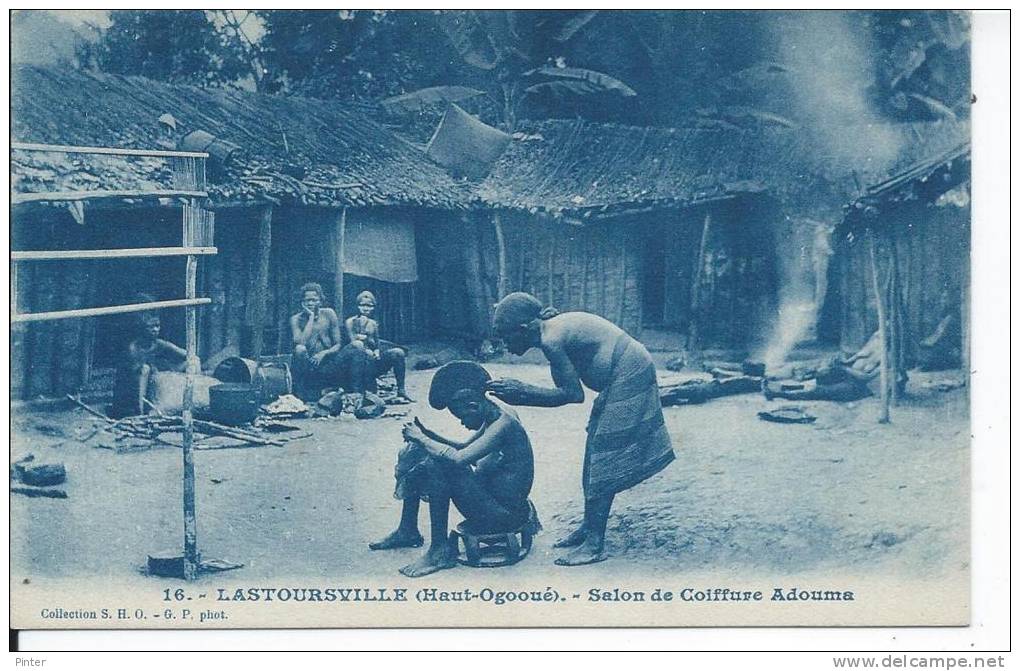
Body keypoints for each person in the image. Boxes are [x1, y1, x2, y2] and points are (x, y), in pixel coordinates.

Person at [487, 292, 675, 566]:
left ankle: (594, 544)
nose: (505, 345)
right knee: (593, 451)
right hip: (620, 373)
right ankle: (589, 527)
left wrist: (523, 392)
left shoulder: (551, 340)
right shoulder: (548, 331)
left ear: (524, 329)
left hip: (630, 370)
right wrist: (522, 394)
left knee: (605, 458)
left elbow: (572, 395)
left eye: (506, 336)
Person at [369, 361, 535, 578]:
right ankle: (407, 530)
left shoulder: (504, 425)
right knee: (420, 452)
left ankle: (439, 549)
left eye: (462, 417)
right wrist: (427, 437)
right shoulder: (495, 412)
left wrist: (421, 437)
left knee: (436, 465)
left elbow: (458, 459)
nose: (463, 424)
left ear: (473, 406)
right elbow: (467, 448)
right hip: (494, 503)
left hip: (502, 515)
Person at [289, 283, 370, 402]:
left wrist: (324, 353)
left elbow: (338, 344)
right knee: (299, 349)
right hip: (309, 367)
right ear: (302, 302)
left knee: (357, 345)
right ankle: (302, 395)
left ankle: (356, 393)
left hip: (330, 363)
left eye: (314, 300)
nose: (310, 303)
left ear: (320, 301)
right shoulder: (296, 319)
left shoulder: (329, 314)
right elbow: (300, 342)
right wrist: (311, 318)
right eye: (307, 301)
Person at [110, 301, 189, 418]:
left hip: (151, 382)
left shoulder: (159, 344)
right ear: (142, 328)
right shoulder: (133, 348)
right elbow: (134, 375)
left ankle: (187, 404)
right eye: (151, 326)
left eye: (157, 326)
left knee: (192, 361)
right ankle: (140, 412)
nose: (155, 329)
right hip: (132, 389)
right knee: (145, 370)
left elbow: (185, 353)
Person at [761, 331, 884, 402]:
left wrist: (844, 368)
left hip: (857, 386)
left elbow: (867, 377)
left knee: (819, 391)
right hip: (845, 375)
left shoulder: (890, 356)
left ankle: (779, 394)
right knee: (816, 376)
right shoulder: (875, 340)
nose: (880, 334)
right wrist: (841, 362)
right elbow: (853, 360)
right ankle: (778, 386)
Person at [344, 290, 412, 401]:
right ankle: (357, 392)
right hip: (356, 364)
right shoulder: (350, 322)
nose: (366, 308)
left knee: (398, 353)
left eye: (369, 306)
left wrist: (376, 352)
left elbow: (376, 344)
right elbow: (353, 343)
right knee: (359, 348)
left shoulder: (373, 323)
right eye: (362, 305)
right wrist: (366, 348)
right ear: (357, 306)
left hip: (372, 361)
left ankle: (401, 390)